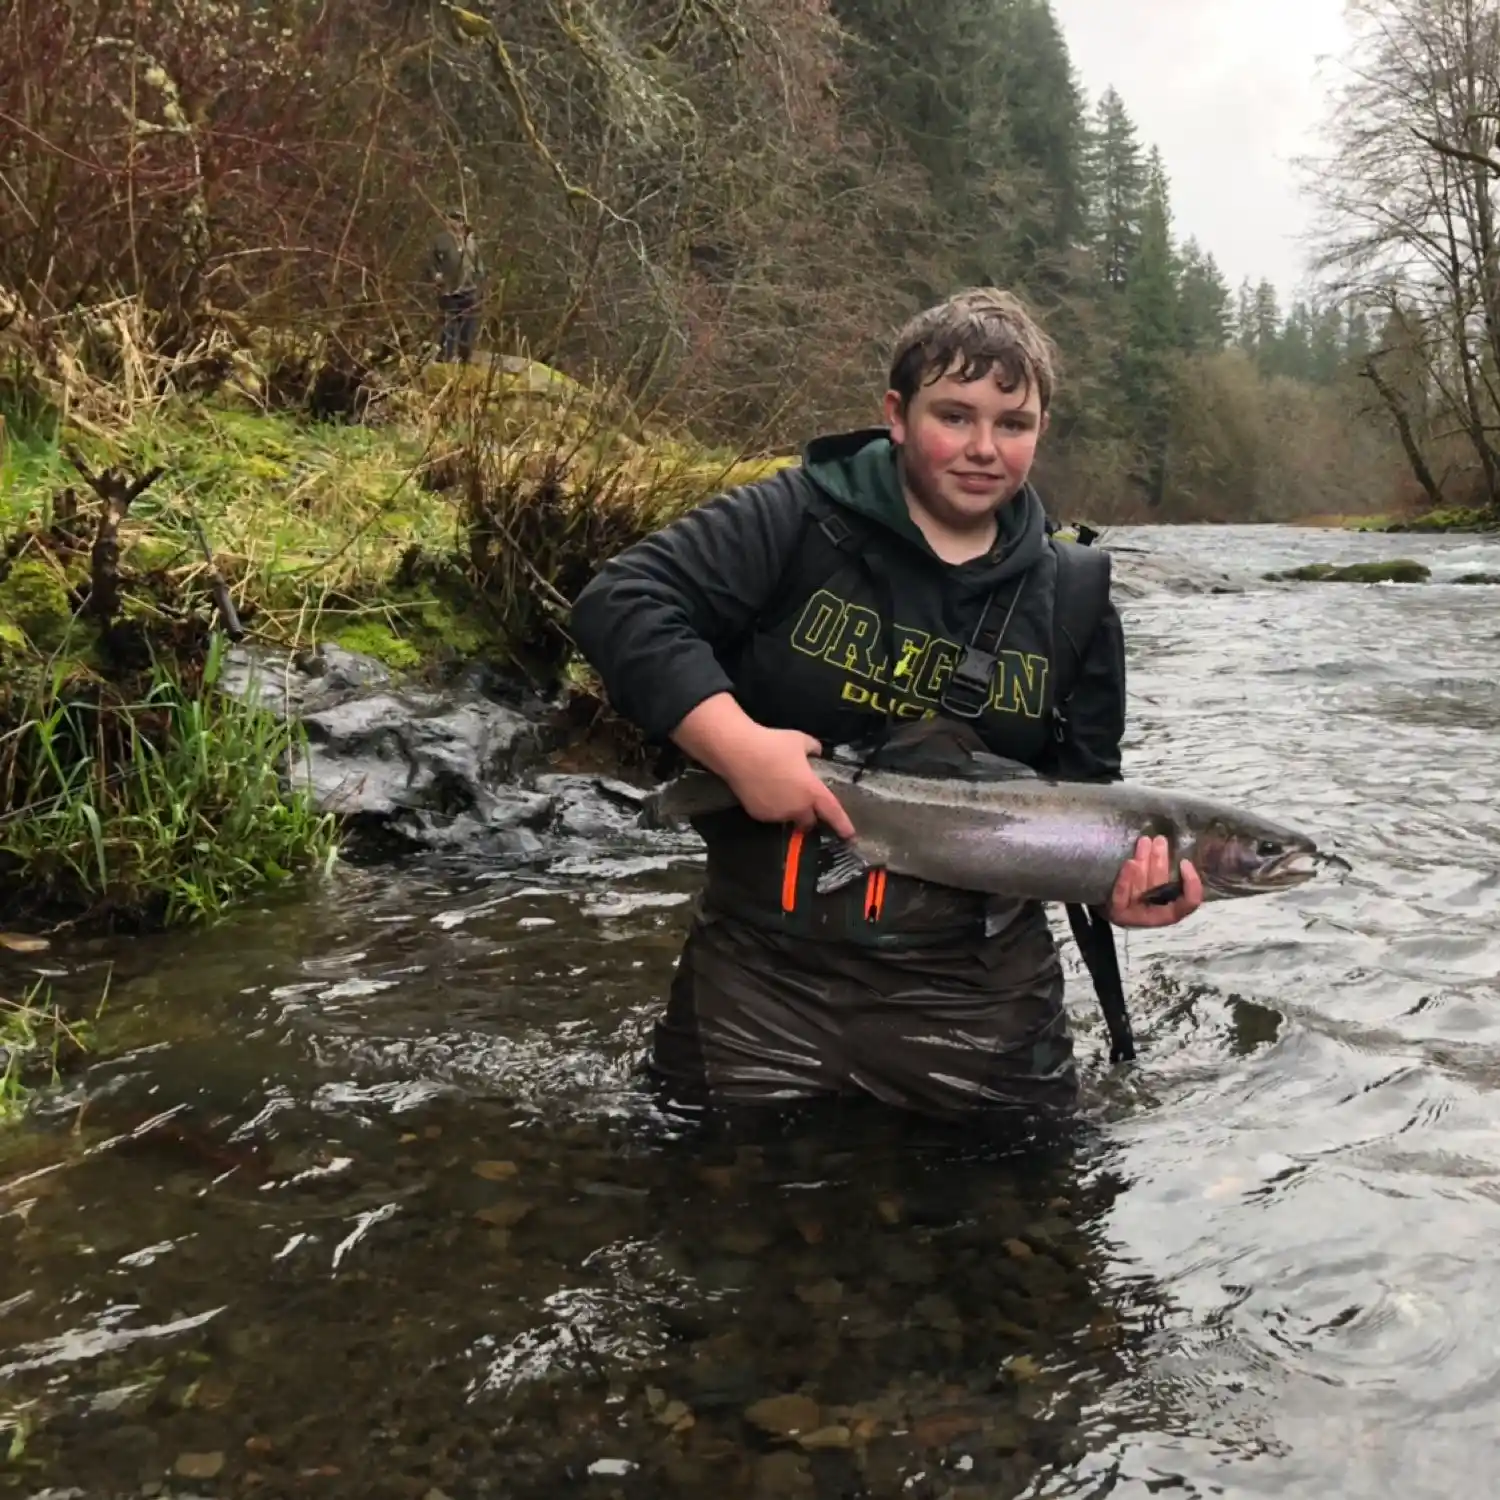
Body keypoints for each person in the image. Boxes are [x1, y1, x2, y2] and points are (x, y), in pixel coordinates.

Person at [569, 287, 1203, 1122]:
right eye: (955, 415)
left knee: (1025, 1227)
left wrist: (1117, 890)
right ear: (896, 416)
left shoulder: (1076, 597)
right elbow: (621, 602)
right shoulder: (792, 516)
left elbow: (1082, 792)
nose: (984, 448)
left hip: (978, 1003)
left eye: (1012, 425)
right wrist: (737, 746)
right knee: (700, 1212)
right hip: (763, 980)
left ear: (1040, 432)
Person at [429, 206, 484, 364]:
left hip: (469, 289)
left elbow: (479, 263)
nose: (456, 222)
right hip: (449, 290)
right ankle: (444, 357)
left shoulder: (470, 241)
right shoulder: (441, 240)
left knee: (468, 326)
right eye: (453, 218)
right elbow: (431, 262)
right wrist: (436, 275)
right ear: (446, 220)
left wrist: (480, 279)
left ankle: (464, 358)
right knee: (450, 325)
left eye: (459, 219)